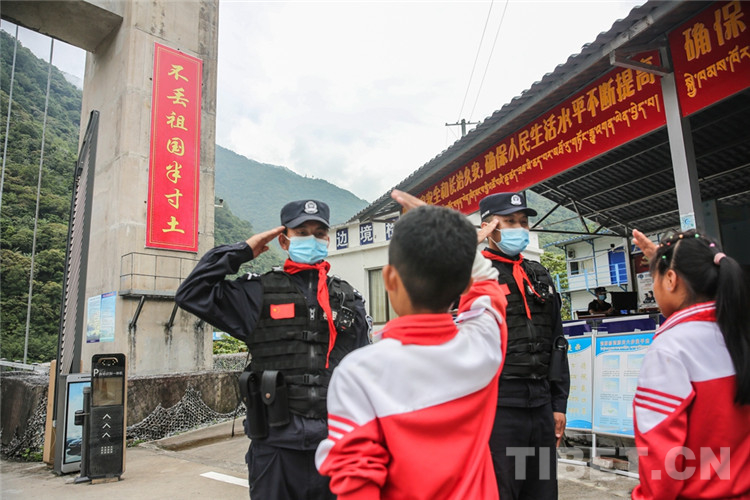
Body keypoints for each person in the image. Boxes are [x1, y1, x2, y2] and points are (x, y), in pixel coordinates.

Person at [315, 189, 508, 499]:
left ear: (389, 279)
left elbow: (357, 483)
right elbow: (488, 287)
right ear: (464, 284)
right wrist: (456, 241)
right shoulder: (483, 346)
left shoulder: (358, 373)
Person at [175, 199, 371, 500]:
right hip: (275, 447)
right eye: (301, 233)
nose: (312, 239)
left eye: (319, 233)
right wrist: (242, 251)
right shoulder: (256, 292)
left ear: (327, 240)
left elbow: (365, 372)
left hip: (338, 447)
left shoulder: (348, 299)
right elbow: (191, 293)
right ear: (283, 240)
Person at [630, 229, 750, 499]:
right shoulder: (740, 332)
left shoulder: (670, 349)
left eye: (654, 278)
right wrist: (665, 262)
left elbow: (662, 467)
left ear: (671, 279)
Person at [478, 191, 570, 500]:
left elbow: (557, 341)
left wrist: (558, 404)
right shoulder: (473, 276)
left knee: (542, 489)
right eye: (509, 222)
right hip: (499, 409)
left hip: (541, 407)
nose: (519, 228)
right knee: (501, 491)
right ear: (489, 227)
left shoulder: (538, 274)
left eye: (523, 222)